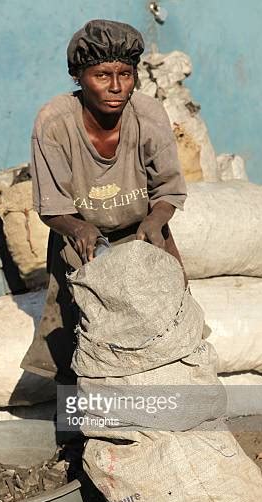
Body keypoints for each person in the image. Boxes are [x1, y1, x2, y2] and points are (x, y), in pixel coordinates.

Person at [21, 19, 187, 384]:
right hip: (82, 241)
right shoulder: (54, 122)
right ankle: (74, 437)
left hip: (144, 234)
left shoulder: (148, 115)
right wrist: (79, 227)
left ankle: (164, 425)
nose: (116, 87)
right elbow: (53, 207)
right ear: (79, 77)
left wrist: (155, 221)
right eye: (102, 75)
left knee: (168, 332)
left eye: (125, 75)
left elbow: (168, 191)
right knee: (73, 344)